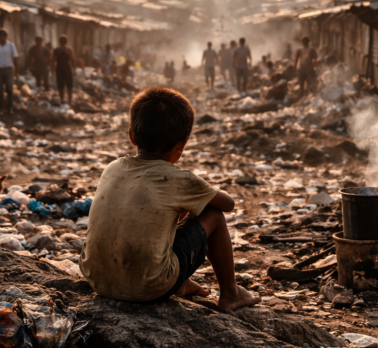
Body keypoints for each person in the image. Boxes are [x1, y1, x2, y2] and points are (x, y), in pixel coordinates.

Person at [79, 86, 260, 310]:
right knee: (212, 213)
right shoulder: (177, 178)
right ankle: (231, 293)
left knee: (165, 208)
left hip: (97, 279)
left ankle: (182, 283)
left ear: (132, 135)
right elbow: (228, 205)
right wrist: (199, 190)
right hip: (150, 287)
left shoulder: (112, 167)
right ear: (182, 144)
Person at [0, 28, 19, 115]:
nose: (2, 37)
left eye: (3, 36)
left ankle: (10, 108)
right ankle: (0, 108)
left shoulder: (11, 45)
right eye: (0, 36)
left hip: (9, 69)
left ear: (6, 36)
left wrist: (16, 70)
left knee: (9, 89)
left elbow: (15, 58)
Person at [51, 34, 76, 106]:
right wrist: (74, 69)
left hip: (59, 68)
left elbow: (53, 62)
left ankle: (62, 100)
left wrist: (52, 71)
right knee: (69, 85)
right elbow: (72, 60)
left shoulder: (56, 50)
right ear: (66, 41)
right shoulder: (69, 49)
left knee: (60, 85)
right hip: (67, 68)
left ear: (59, 41)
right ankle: (69, 100)